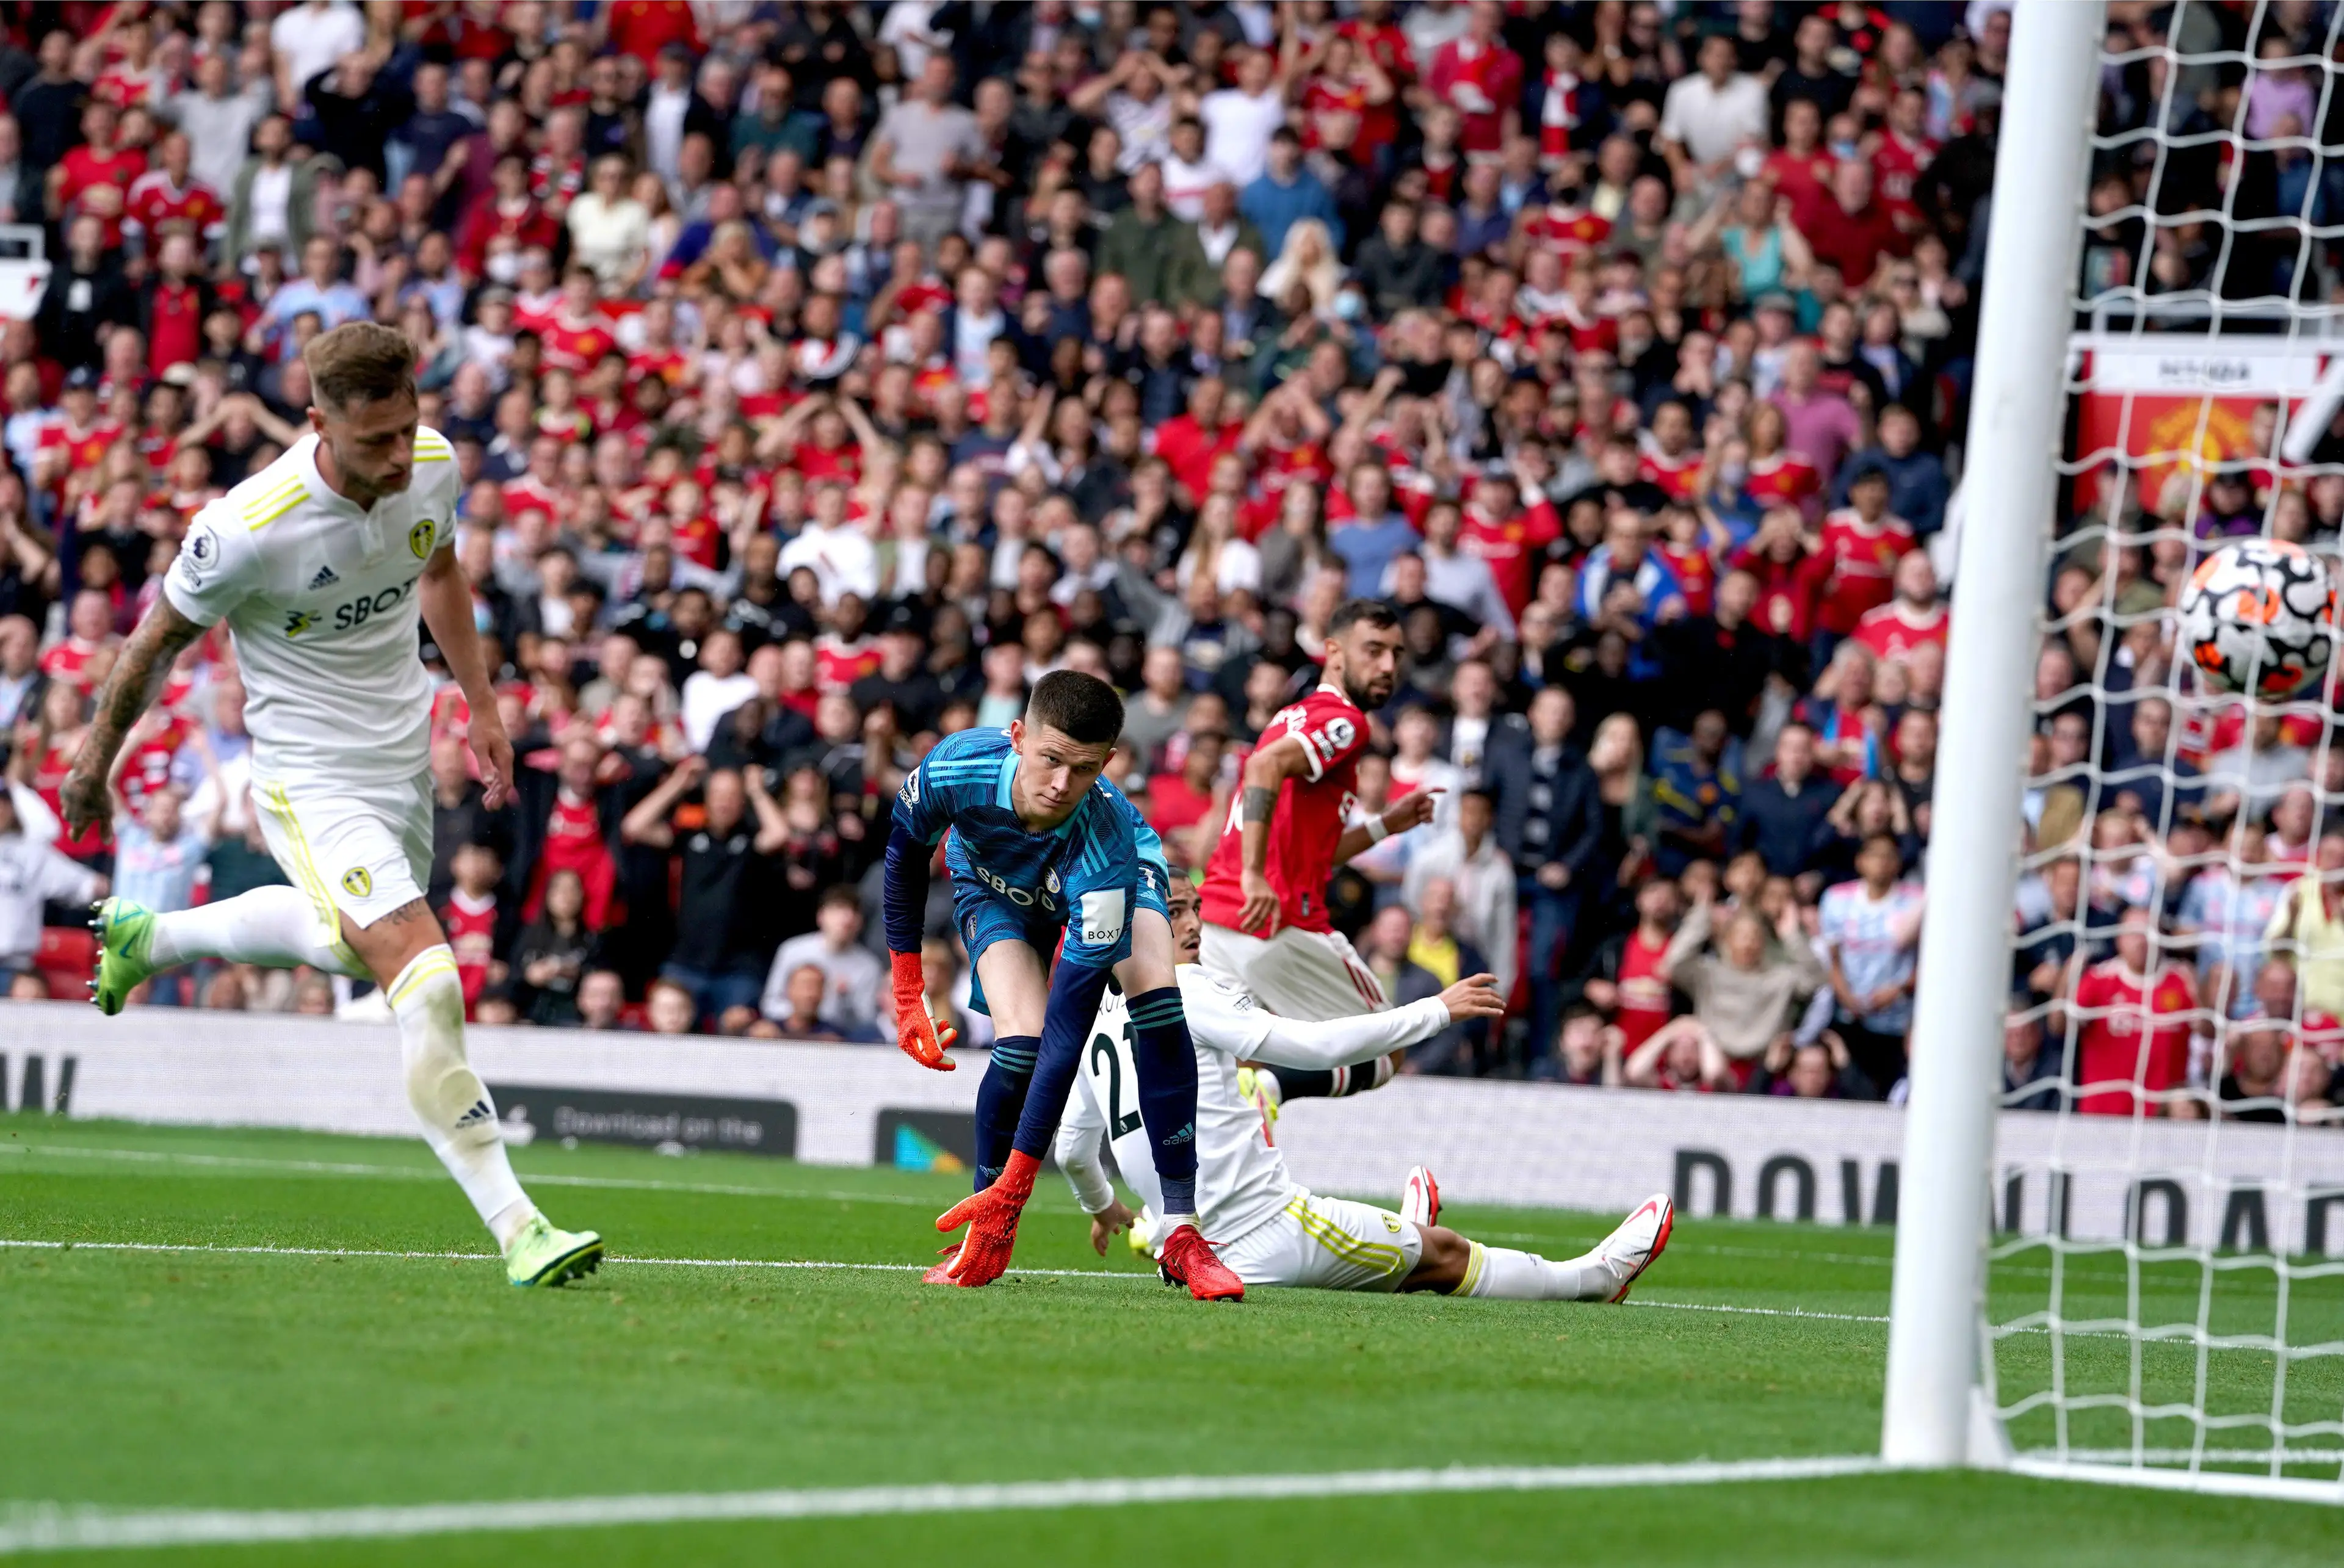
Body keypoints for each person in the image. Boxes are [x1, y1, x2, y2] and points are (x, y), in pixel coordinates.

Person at [67, 322, 601, 1290]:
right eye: (376, 441)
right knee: (426, 974)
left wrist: (480, 704)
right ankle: (520, 1226)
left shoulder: (429, 467)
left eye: (409, 429)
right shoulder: (246, 527)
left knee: (358, 943)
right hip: (311, 781)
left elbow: (438, 570)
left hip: (401, 764)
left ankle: (155, 940)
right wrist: (95, 760)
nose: (401, 456)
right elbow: (151, 644)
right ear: (318, 423)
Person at [1058, 876, 1673, 1302]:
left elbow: (1073, 1149)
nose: (1193, 924)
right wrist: (1435, 1009)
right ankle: (1592, 1278)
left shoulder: (1096, 1021)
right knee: (1444, 1255)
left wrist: (1102, 1207)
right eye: (1173, 911)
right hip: (1265, 1233)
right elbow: (1314, 1045)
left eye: (1194, 906)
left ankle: (1393, 1234)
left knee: (1250, 1090)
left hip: (1184, 1254)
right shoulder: (1184, 989)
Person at [882, 670, 1243, 1299]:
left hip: (1105, 875)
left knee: (1155, 996)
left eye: (1083, 769)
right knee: (1017, 1045)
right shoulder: (954, 768)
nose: (1061, 785)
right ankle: (982, 1224)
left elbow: (1069, 1033)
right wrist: (907, 993)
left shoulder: (1105, 847)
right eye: (1050, 759)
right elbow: (906, 856)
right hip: (995, 885)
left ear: (1107, 763)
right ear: (1018, 735)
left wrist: (1020, 1188)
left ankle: (1182, 1232)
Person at [1199, 599, 1437, 1017]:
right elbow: (1262, 765)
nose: (1387, 666)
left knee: (1242, 1062)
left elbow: (1315, 853)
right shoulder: (1346, 721)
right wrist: (1254, 874)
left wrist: (1385, 825)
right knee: (1381, 1049)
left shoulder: (1290, 716)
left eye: (1396, 655)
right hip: (1278, 917)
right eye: (1373, 650)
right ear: (1334, 653)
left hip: (1222, 917)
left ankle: (1267, 1084)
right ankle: (1276, 1088)